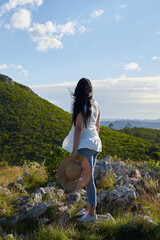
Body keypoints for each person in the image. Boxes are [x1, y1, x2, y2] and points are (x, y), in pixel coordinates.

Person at [62, 77, 102, 222]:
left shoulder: (80, 105)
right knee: (88, 178)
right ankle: (88, 208)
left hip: (85, 146)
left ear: (78, 90)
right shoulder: (96, 104)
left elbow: (78, 128)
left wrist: (73, 152)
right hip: (95, 145)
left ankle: (92, 214)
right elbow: (97, 127)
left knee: (88, 179)